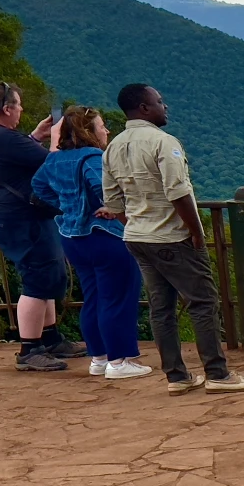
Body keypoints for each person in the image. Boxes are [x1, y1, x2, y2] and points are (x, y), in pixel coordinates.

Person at [99, 84, 244, 394]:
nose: (165, 107)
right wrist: (196, 231)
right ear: (144, 109)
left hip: (136, 236)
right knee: (202, 302)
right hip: (172, 237)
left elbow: (114, 202)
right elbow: (178, 192)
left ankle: (177, 377)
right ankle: (218, 374)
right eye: (159, 102)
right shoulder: (163, 143)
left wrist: (136, 224)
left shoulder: (113, 147)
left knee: (161, 308)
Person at [32, 106, 151, 380]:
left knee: (93, 298)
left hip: (73, 238)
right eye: (101, 126)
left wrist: (67, 207)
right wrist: (111, 207)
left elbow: (38, 188)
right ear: (88, 131)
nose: (106, 130)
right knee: (118, 298)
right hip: (104, 236)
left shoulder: (55, 159)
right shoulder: (93, 156)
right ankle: (119, 362)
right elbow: (100, 187)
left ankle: (98, 359)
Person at [0, 81, 85, 371]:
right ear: (6, 109)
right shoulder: (3, 138)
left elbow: (18, 160)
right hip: (23, 216)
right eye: (18, 105)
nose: (21, 110)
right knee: (37, 277)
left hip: (20, 214)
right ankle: (29, 349)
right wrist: (56, 137)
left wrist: (36, 136)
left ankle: (50, 338)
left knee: (49, 272)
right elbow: (54, 165)